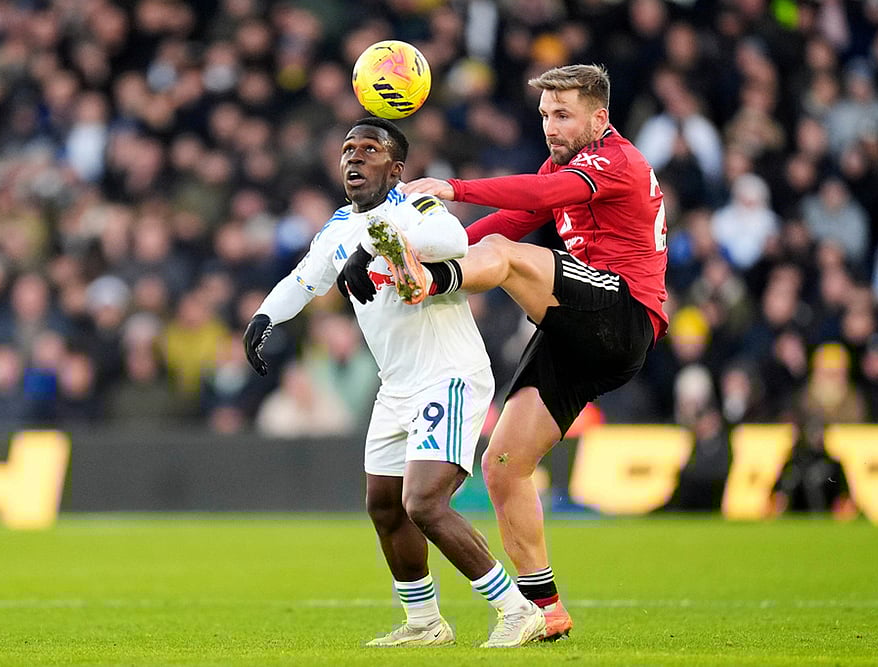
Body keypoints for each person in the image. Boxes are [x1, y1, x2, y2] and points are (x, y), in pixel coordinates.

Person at [356, 64, 670, 640]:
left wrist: (456, 191)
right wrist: (428, 247)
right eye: (546, 114)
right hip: (577, 332)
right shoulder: (566, 163)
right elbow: (522, 214)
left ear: (599, 117)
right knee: (503, 468)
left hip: (624, 314)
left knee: (507, 253)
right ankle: (545, 611)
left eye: (563, 114)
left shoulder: (616, 160)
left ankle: (427, 285)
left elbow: (541, 196)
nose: (551, 125)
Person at [243, 118, 547, 648]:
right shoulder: (337, 228)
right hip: (397, 385)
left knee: (424, 502)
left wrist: (381, 245)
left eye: (369, 150)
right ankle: (425, 623)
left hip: (448, 376)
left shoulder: (415, 206)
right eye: (347, 150)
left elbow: (452, 238)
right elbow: (303, 280)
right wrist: (264, 319)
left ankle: (518, 610)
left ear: (396, 168)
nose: (354, 159)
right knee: (383, 503)